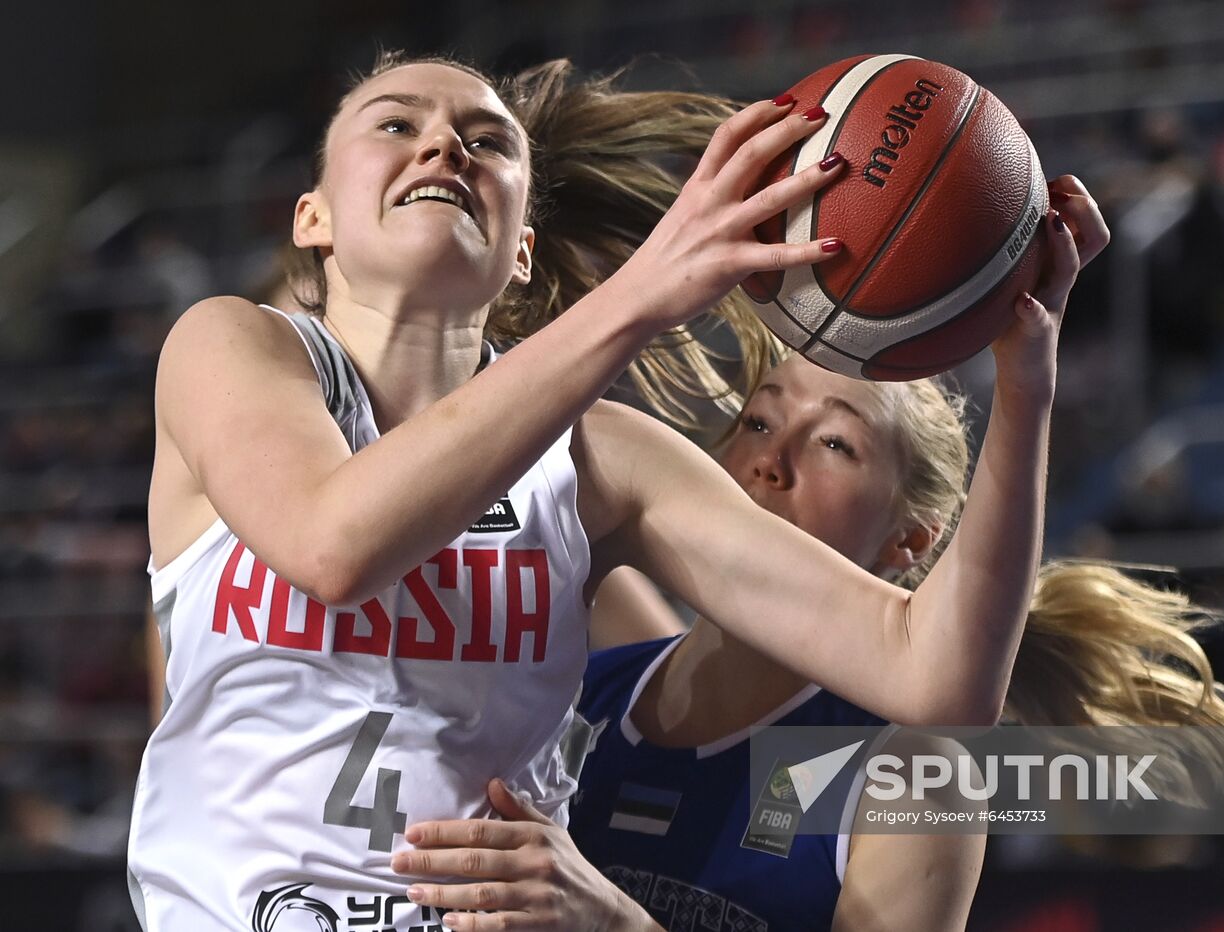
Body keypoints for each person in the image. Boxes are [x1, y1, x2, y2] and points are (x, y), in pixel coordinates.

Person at [131, 50, 1091, 929]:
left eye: (487, 139)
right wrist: (643, 292)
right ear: (315, 218)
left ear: (521, 248)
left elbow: (933, 674)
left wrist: (1025, 382)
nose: (442, 144)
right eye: (395, 123)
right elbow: (331, 545)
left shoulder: (600, 459)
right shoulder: (229, 347)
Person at [395, 351, 1224, 930]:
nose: (771, 456)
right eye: (759, 420)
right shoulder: (586, 680)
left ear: (906, 541)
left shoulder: (911, 775)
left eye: (833, 444)